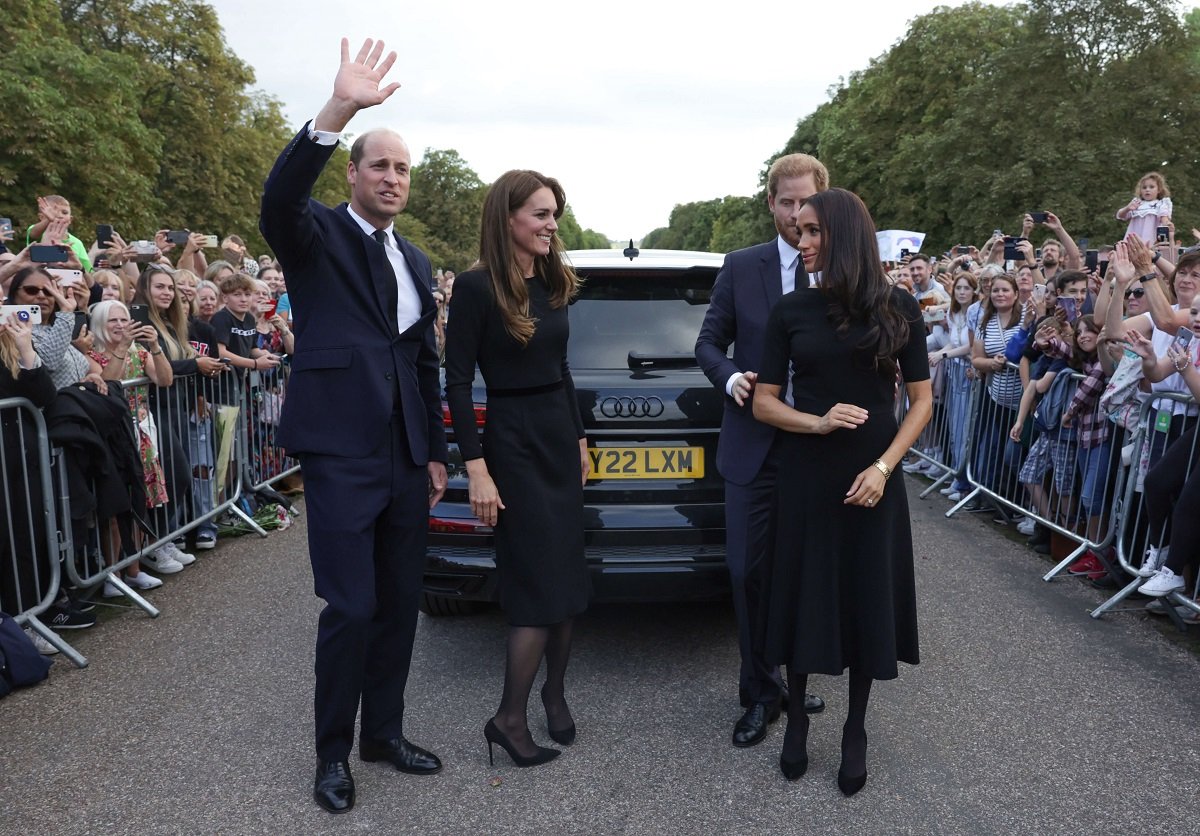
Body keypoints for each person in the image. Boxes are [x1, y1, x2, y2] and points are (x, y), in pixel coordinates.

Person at [258, 37, 447, 815]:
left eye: (403, 169)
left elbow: (423, 362)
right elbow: (277, 200)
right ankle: (333, 753)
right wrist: (339, 110)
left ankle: (384, 734)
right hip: (340, 452)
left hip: (405, 455)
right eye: (380, 166)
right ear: (354, 172)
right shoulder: (315, 238)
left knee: (402, 604)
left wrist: (436, 453)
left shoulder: (417, 260)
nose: (393, 179)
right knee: (353, 607)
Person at [752, 187, 931, 796]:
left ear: (843, 234)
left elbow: (923, 400)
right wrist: (818, 422)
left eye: (811, 231)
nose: (801, 242)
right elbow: (764, 401)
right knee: (806, 589)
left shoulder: (900, 306)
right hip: (808, 473)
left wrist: (883, 468)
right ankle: (797, 715)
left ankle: (855, 727)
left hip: (874, 475)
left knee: (863, 593)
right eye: (797, 231)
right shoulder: (791, 312)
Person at [444, 170, 589, 770]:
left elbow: (562, 367)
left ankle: (553, 693)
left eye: (553, 213)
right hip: (513, 442)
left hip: (557, 437)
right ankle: (508, 717)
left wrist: (580, 439)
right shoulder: (477, 289)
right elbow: (454, 382)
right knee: (533, 586)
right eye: (539, 214)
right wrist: (477, 469)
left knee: (566, 580)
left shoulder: (554, 281)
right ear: (508, 218)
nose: (551, 224)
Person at [694, 152, 828, 751]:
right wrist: (730, 378)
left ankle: (793, 681)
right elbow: (708, 342)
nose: (797, 214)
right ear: (770, 203)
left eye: (806, 203)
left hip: (820, 447)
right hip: (752, 444)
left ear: (821, 201)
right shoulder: (741, 266)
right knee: (747, 572)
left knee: (805, 572)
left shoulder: (840, 266)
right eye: (785, 202)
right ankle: (759, 691)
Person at [1116, 171, 1173, 244]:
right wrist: (1127, 208)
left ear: (1159, 190)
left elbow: (1164, 217)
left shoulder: (1161, 204)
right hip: (1133, 241)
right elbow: (1120, 215)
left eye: (1151, 187)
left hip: (1150, 240)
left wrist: (1168, 224)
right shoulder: (1137, 203)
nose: (1147, 190)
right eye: (1144, 187)